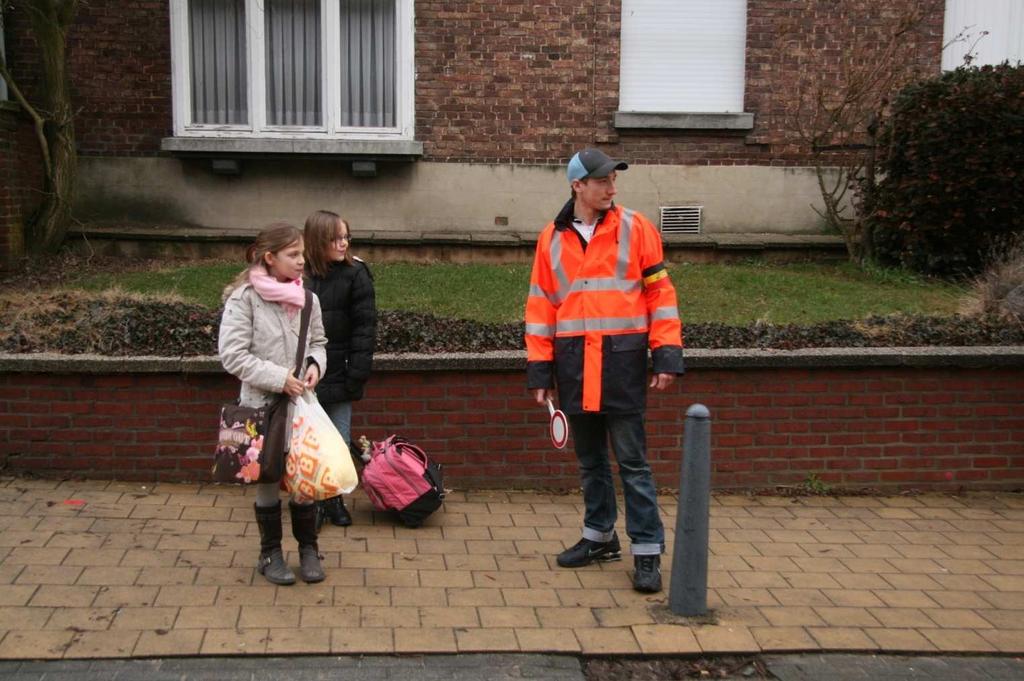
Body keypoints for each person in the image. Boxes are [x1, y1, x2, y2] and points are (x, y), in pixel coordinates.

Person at [524, 148, 685, 593]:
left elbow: (660, 295)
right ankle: (599, 538)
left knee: (633, 463)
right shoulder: (549, 240)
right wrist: (540, 370)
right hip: (576, 364)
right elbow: (540, 307)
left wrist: (666, 353)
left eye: (614, 180)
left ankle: (648, 551)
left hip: (621, 361)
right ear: (578, 185)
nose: (612, 188)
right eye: (602, 181)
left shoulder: (637, 229)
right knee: (591, 462)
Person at [219, 223, 328, 586]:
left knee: (303, 479)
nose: (302, 262)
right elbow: (232, 356)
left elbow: (318, 342)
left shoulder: (308, 300)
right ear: (270, 258)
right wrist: (279, 377)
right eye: (293, 255)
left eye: (302, 255)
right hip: (260, 405)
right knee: (267, 479)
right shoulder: (244, 299)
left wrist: (315, 365)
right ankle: (271, 553)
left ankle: (309, 549)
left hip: (301, 404)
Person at [302, 210, 377, 531]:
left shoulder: (356, 274)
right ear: (319, 241)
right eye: (336, 238)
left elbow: (365, 327)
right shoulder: (301, 275)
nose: (344, 242)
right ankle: (315, 503)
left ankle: (334, 500)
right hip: (307, 374)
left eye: (346, 236)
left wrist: (356, 372)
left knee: (338, 439)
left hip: (342, 370)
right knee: (310, 443)